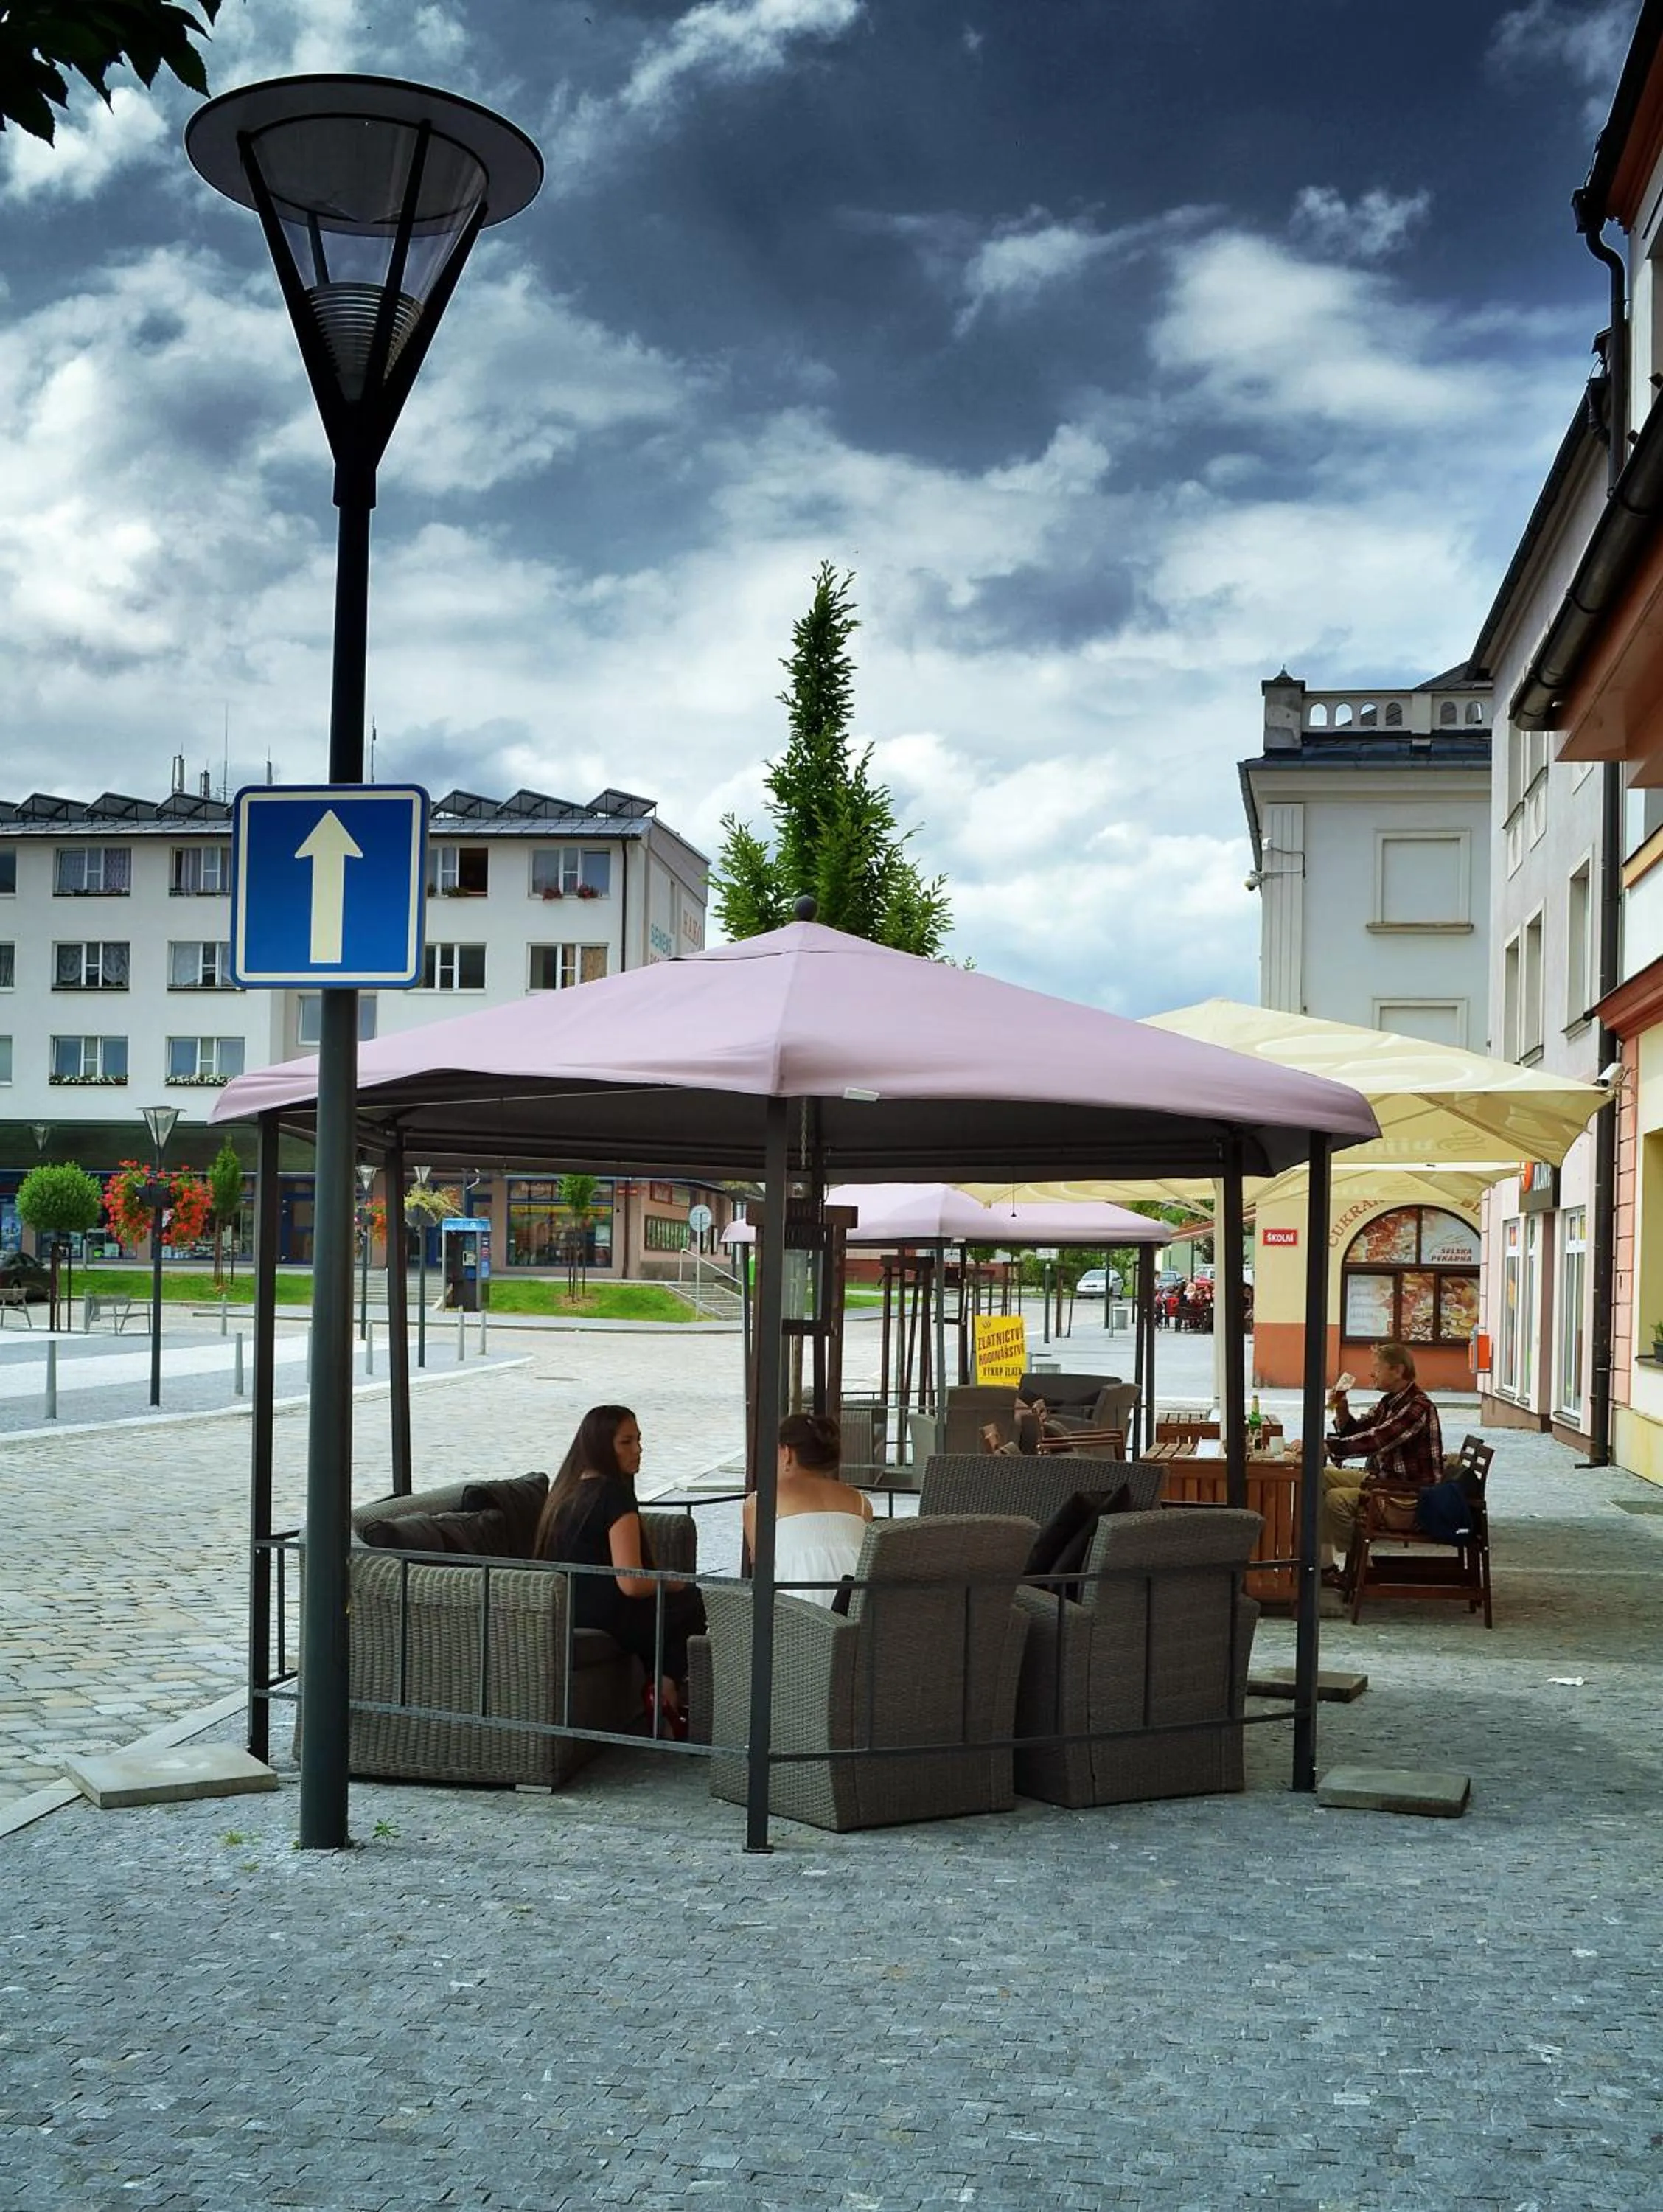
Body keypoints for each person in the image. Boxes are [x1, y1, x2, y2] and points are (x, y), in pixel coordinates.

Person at [533, 1404, 705, 1735]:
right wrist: (674, 1583)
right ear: (601, 1445)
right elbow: (631, 1583)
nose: (638, 1450)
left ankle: (659, 1687)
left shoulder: (565, 1489)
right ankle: (664, 1689)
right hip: (603, 1613)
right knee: (691, 1600)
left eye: (639, 1440)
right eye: (626, 1442)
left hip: (565, 1605)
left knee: (669, 1613)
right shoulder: (612, 1495)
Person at [1319, 1343, 1444, 1586]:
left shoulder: (1418, 1407)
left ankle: (1357, 1567)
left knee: (1336, 1499)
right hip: (1385, 1479)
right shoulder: (1390, 1402)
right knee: (1318, 1476)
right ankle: (1326, 1566)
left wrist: (1325, 1446)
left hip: (1407, 1494)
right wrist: (1342, 1412)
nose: (1372, 1374)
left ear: (1397, 1371)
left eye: (1377, 1368)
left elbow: (1376, 1440)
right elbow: (1359, 1431)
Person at [743, 1411, 873, 1606]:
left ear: (787, 1453)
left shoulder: (762, 1502)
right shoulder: (860, 1502)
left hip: (798, 1615)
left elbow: (760, 1565)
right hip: (858, 1613)